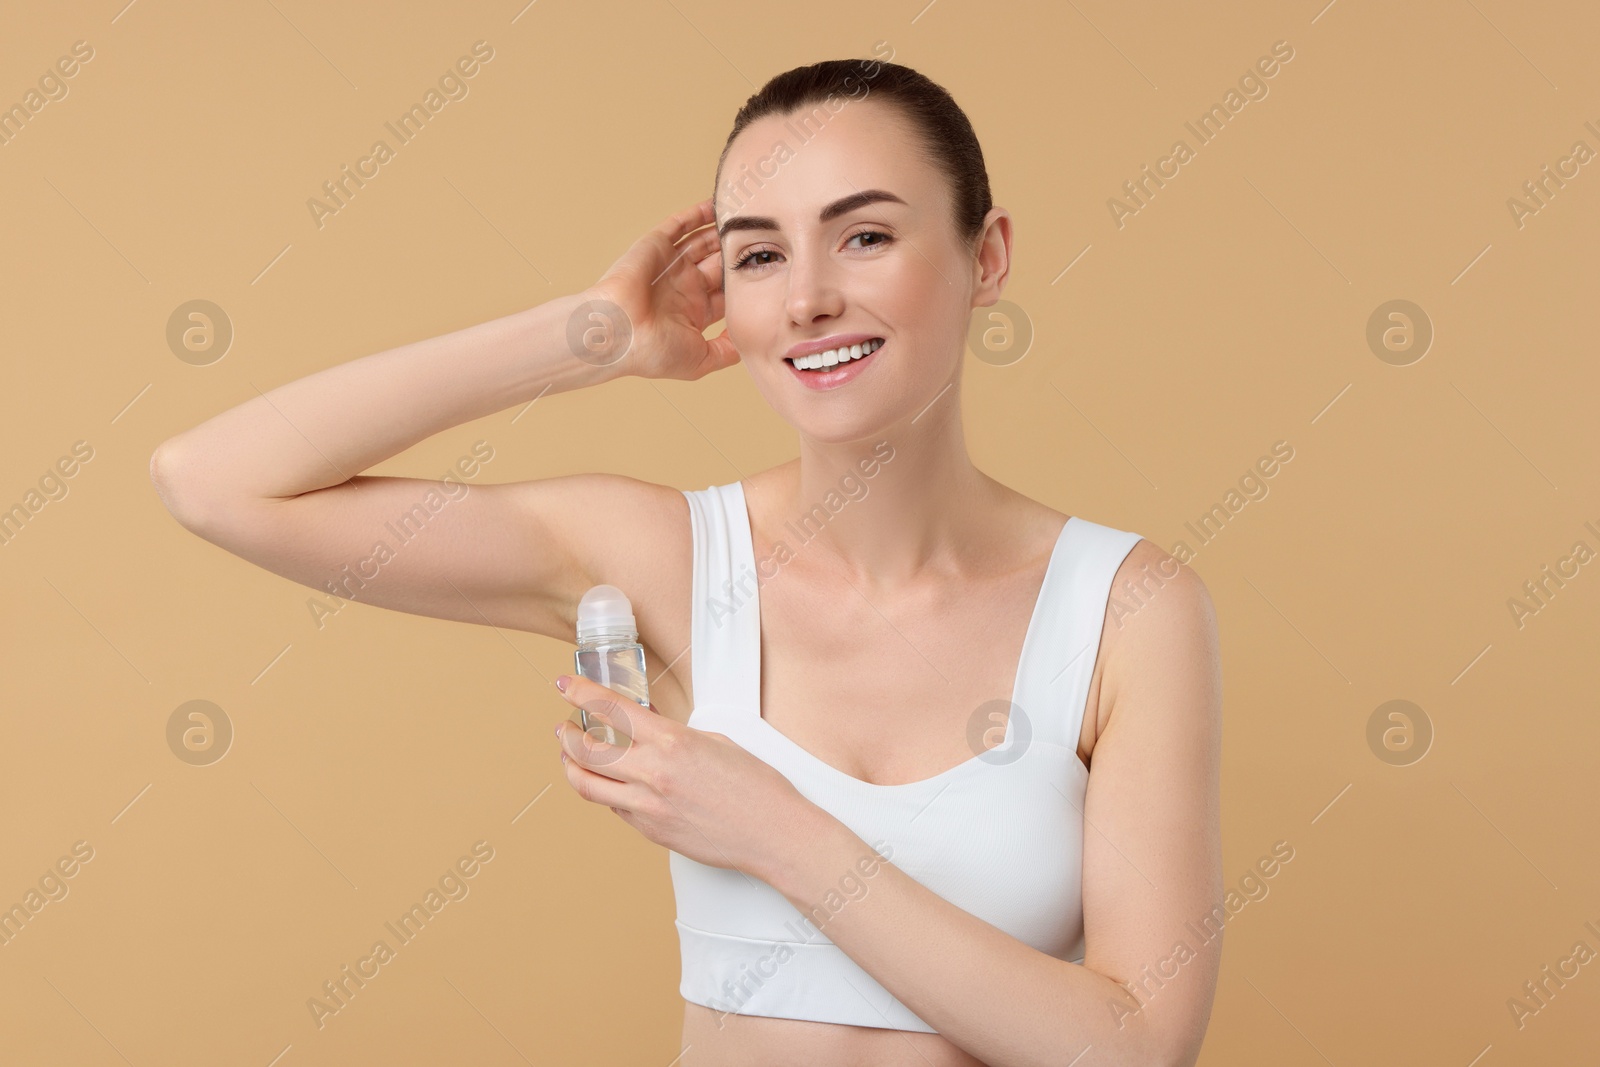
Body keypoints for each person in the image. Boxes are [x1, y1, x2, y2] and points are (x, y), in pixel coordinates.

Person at [151, 58, 1222, 1067]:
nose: (806, 299)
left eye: (863, 238)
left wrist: (772, 827)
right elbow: (212, 480)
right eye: (758, 253)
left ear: (984, 257)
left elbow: (1131, 1042)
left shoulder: (1126, 608)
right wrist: (583, 337)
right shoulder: (665, 559)